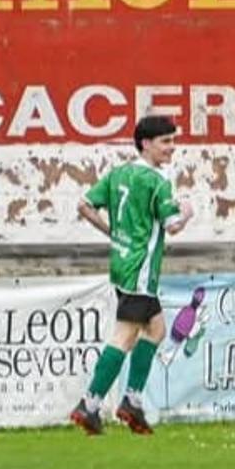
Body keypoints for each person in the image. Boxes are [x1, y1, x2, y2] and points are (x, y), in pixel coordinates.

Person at [70, 115, 192, 436]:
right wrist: (188, 212)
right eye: (165, 141)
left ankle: (132, 399)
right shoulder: (157, 181)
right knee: (125, 336)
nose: (172, 147)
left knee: (157, 328)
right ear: (146, 143)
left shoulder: (119, 173)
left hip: (122, 264)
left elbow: (84, 205)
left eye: (172, 140)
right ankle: (91, 403)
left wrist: (112, 233)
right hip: (140, 270)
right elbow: (173, 226)